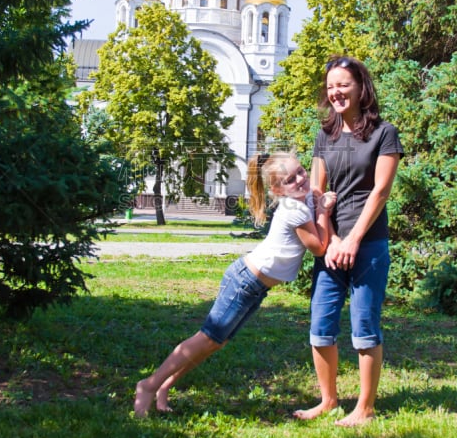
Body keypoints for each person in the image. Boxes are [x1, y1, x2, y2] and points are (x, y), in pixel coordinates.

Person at [134, 152, 336, 416]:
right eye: (290, 179)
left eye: (300, 172)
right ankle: (148, 385)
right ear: (277, 189)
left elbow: (317, 180)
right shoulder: (293, 208)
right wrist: (323, 212)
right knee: (207, 338)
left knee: (216, 342)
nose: (300, 179)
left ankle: (163, 386)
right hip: (245, 282)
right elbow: (319, 248)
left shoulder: (302, 197)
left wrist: (318, 195)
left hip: (254, 286)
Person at [293, 56, 403, 427]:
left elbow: (381, 191)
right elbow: (317, 191)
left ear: (360, 87)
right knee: (320, 325)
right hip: (331, 243)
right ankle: (328, 400)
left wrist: (354, 238)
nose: (336, 92)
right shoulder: (325, 136)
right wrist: (335, 238)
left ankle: (365, 408)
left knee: (364, 326)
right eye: (330, 87)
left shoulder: (383, 133)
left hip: (368, 243)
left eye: (343, 85)